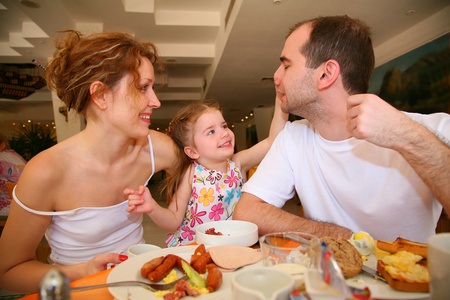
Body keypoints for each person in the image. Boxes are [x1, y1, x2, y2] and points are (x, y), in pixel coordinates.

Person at [233, 15, 450, 243]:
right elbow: (247, 212)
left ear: (326, 74)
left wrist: (405, 136)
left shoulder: (432, 130)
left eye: (286, 65)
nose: (276, 77)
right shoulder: (293, 137)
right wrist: (338, 236)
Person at [0, 30, 178, 293]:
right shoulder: (46, 172)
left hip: (139, 289)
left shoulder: (158, 148)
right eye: (143, 88)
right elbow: (8, 272)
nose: (156, 101)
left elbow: (216, 176)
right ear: (100, 95)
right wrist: (82, 271)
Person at [125, 98, 288, 246]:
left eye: (224, 126)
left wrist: (281, 100)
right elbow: (173, 220)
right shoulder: (192, 174)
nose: (224, 133)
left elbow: (272, 142)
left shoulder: (237, 164)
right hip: (197, 249)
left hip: (233, 245)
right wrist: (152, 207)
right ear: (192, 152)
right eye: (211, 131)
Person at [0, 133, 27, 217]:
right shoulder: (15, 156)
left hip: (9, 207)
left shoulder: (2, 158)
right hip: (27, 204)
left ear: (3, 145)